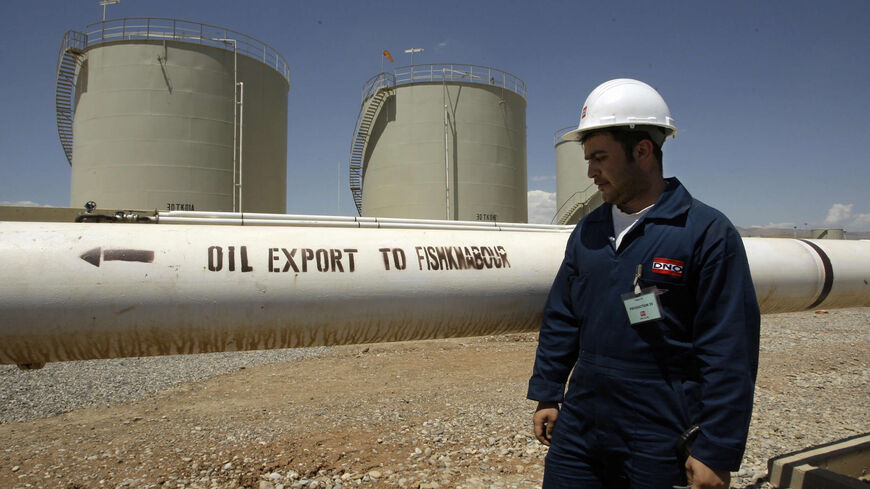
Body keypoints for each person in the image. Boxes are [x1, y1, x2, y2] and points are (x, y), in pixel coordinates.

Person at [528, 79, 760, 489]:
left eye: (600, 157)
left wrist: (717, 449)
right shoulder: (589, 230)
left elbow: (729, 348)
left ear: (642, 151)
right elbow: (562, 316)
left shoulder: (703, 232)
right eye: (587, 158)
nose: (589, 171)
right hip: (583, 418)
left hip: (659, 426)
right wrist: (548, 391)